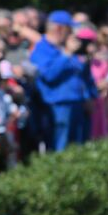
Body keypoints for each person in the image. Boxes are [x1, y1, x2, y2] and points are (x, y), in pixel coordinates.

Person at [30, 11, 90, 150]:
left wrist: (87, 96)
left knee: (78, 149)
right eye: (69, 29)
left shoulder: (64, 47)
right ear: (59, 28)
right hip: (58, 107)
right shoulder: (42, 48)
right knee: (60, 149)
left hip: (77, 104)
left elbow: (80, 74)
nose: (72, 33)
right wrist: (66, 54)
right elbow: (49, 75)